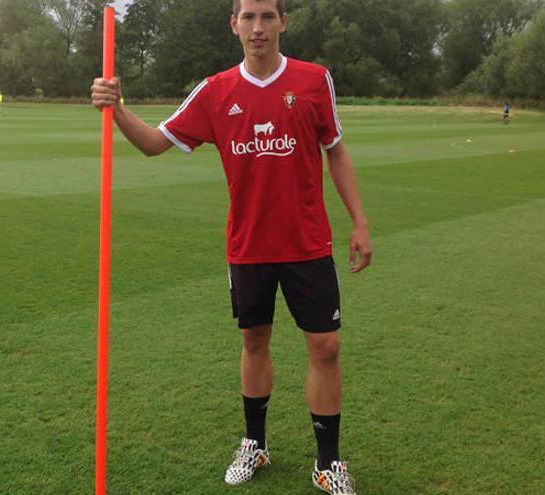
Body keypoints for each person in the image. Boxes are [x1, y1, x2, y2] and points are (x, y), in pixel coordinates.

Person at [91, 0, 371, 493]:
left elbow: (336, 151)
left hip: (308, 244)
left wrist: (360, 222)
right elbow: (156, 143)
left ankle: (329, 464)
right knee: (254, 343)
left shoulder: (313, 80)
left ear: (283, 22)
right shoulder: (215, 91)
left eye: (267, 16)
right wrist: (116, 109)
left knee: (326, 347)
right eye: (249, 17)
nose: (258, 27)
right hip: (249, 248)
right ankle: (255, 445)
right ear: (234, 25)